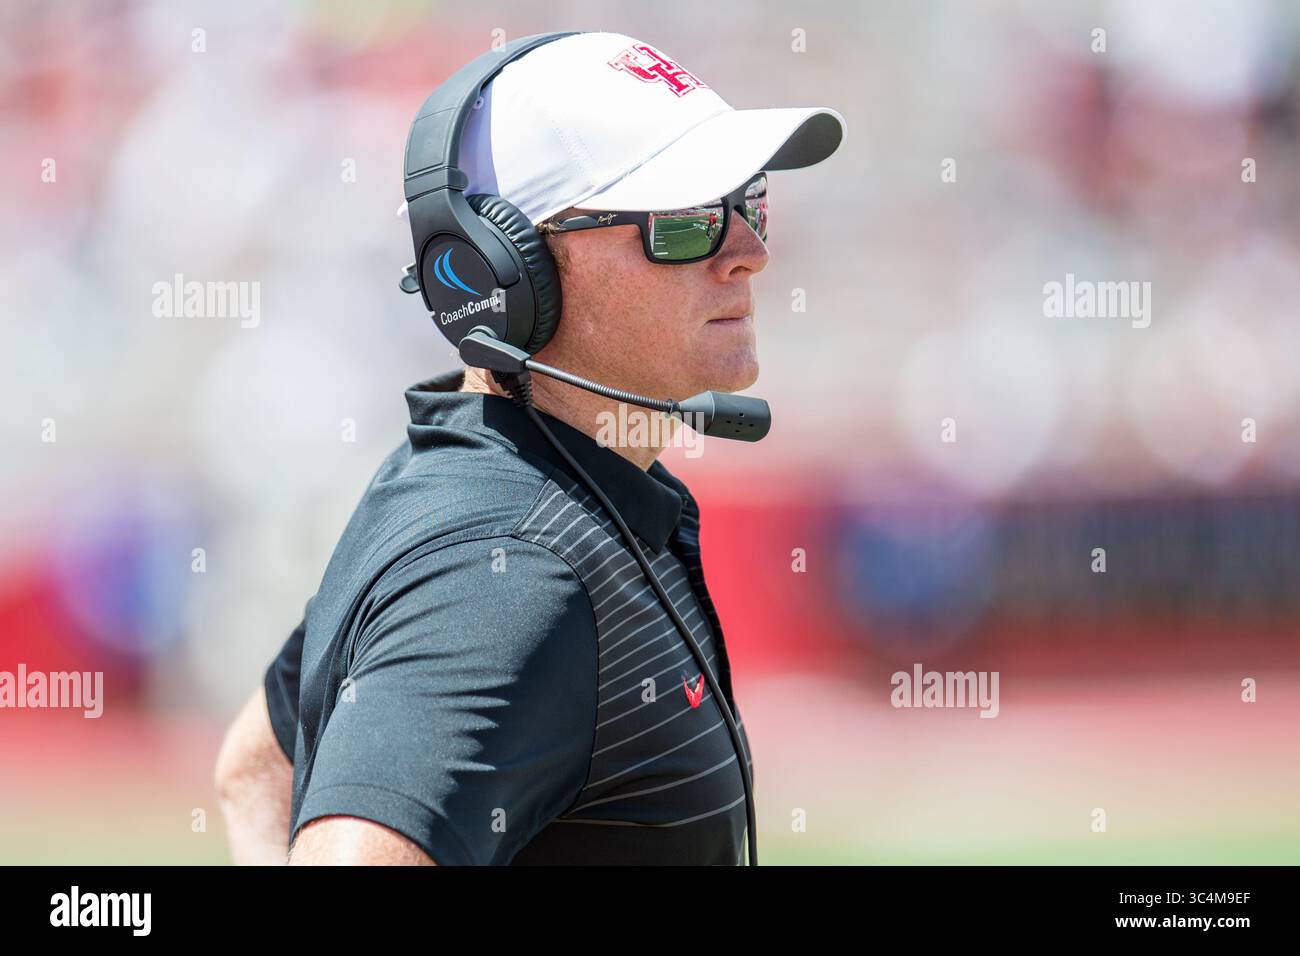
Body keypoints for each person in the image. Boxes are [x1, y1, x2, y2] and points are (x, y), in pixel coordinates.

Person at [214, 31, 843, 865]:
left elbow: (257, 767)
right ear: (505, 268)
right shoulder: (512, 575)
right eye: (683, 221)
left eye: (746, 202)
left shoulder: (489, 487)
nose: (749, 253)